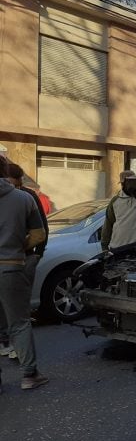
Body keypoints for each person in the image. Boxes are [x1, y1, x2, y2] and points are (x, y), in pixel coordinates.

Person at [0, 154, 48, 392]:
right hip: (11, 266)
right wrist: (18, 245)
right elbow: (39, 235)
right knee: (19, 323)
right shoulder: (23, 198)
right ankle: (30, 376)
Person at [101, 170, 136, 251]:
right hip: (118, 247)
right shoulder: (115, 201)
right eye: (124, 183)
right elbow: (108, 224)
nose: (126, 185)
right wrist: (104, 246)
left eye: (129, 182)